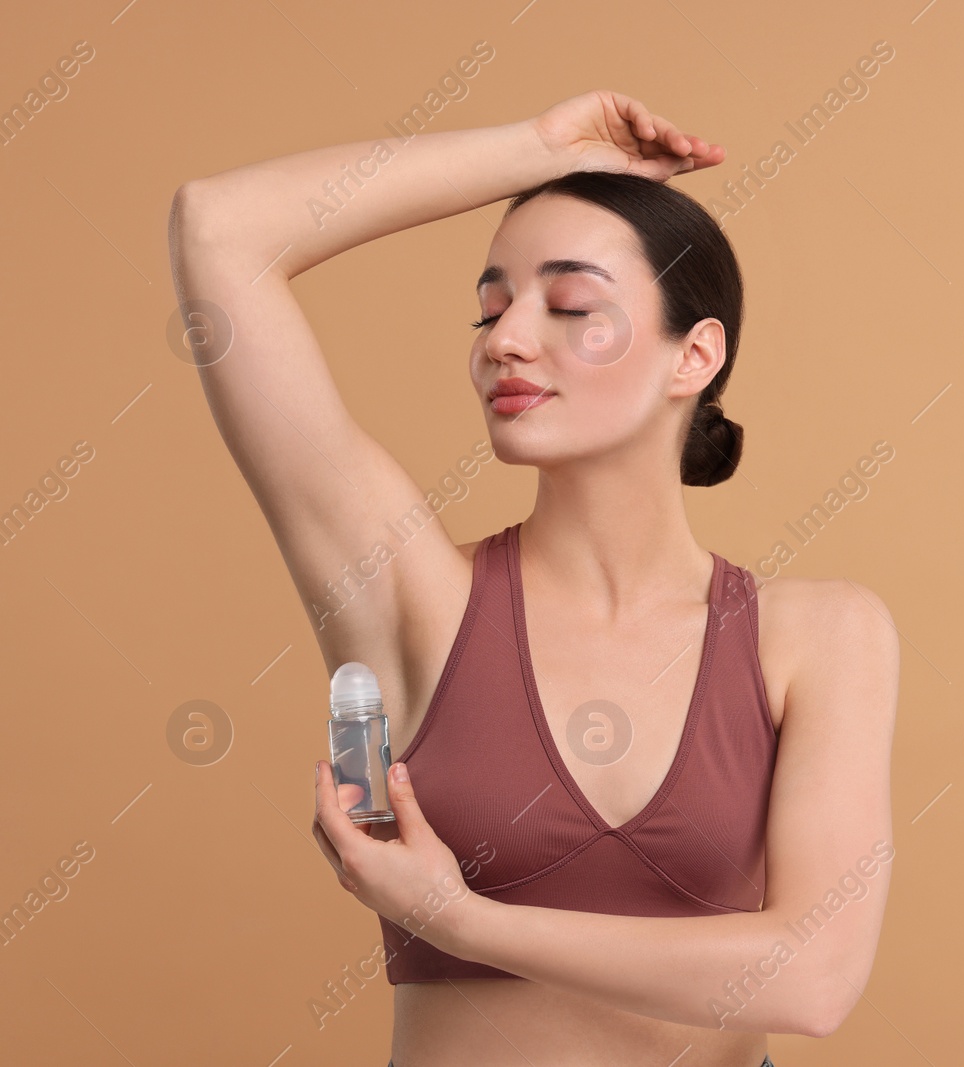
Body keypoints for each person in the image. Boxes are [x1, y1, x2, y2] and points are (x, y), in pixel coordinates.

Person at [166, 90, 899, 1066]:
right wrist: (530, 150)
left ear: (695, 353)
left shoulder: (819, 635)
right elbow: (218, 231)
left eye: (569, 306)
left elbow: (814, 976)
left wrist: (453, 919)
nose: (504, 338)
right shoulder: (411, 596)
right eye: (489, 306)